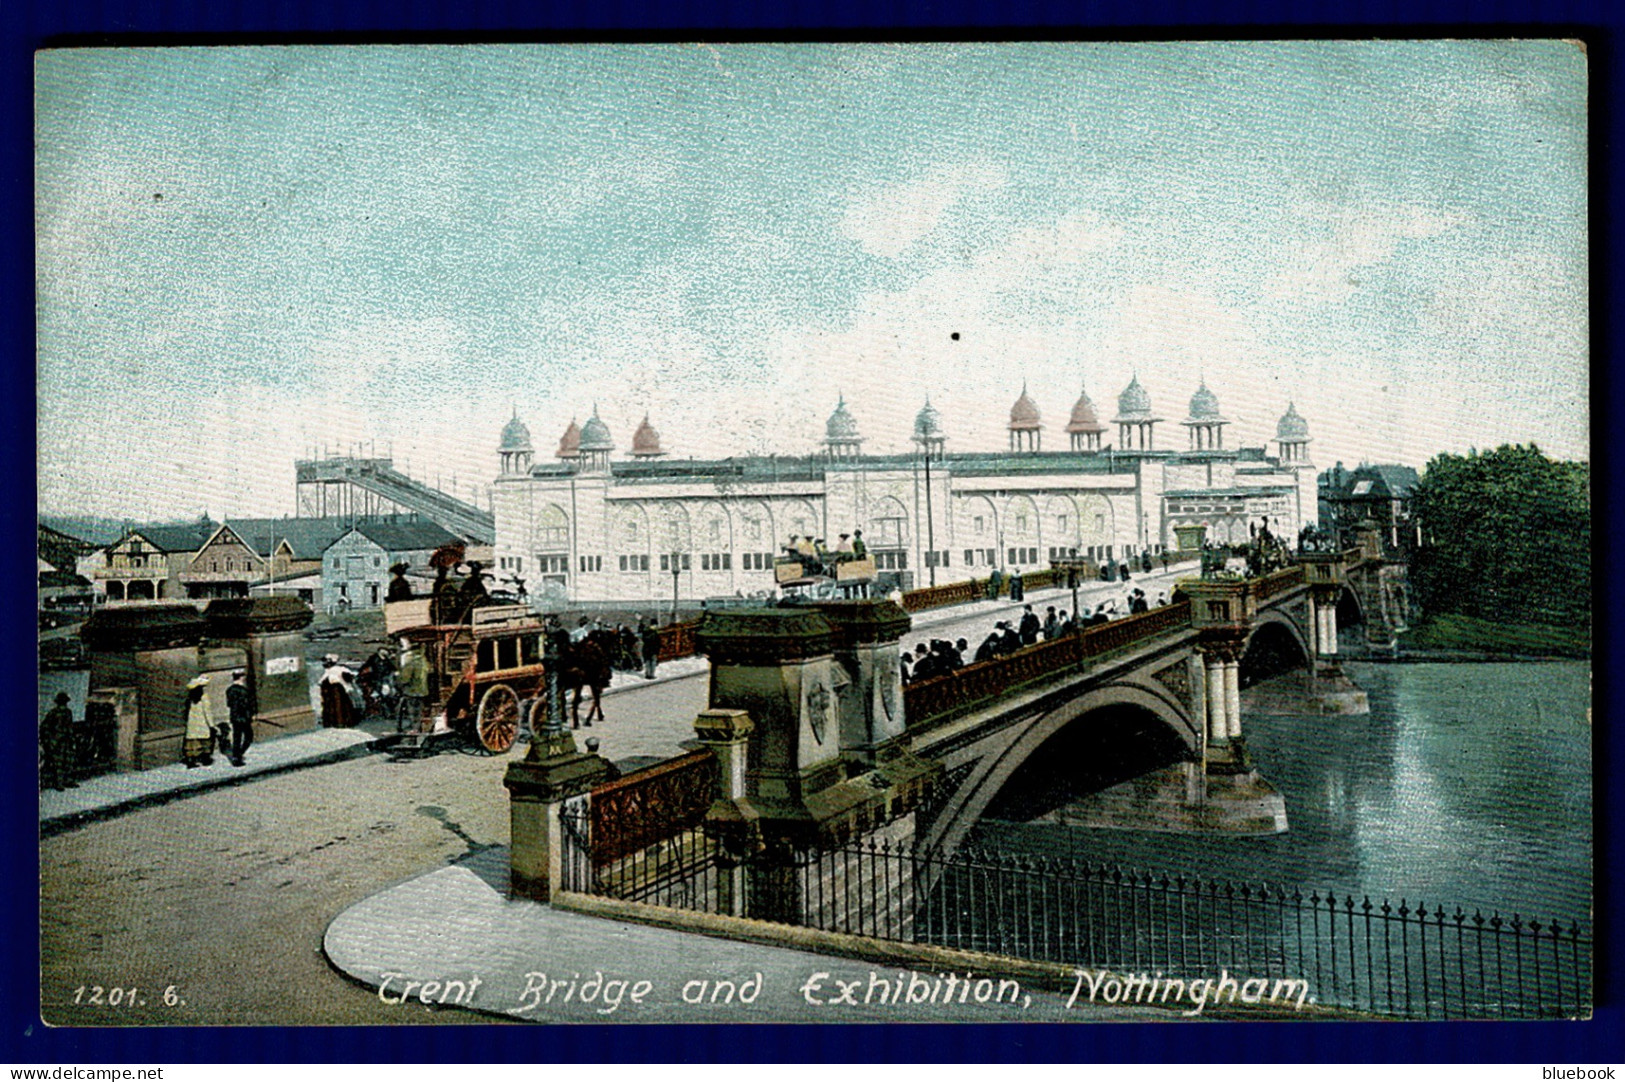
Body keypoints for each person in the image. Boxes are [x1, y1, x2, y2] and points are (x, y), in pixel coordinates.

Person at [40, 691, 78, 790]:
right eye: (62, 703)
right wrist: (49, 740)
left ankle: (68, 780)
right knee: (58, 762)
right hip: (57, 741)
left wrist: (72, 739)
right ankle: (59, 783)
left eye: (64, 703)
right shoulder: (53, 713)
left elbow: (70, 726)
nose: (63, 705)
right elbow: (44, 727)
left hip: (67, 740)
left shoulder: (68, 712)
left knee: (69, 760)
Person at [182, 676, 215, 767]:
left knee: (193, 742)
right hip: (202, 722)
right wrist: (211, 725)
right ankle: (205, 759)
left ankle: (191, 760)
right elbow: (207, 712)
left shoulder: (190, 698)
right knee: (205, 741)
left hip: (192, 723)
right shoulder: (204, 697)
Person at [226, 669, 256, 767]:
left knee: (236, 737)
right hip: (243, 718)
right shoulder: (243, 691)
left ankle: (235, 756)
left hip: (234, 717)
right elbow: (246, 705)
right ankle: (239, 755)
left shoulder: (229, 690)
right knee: (248, 737)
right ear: (241, 677)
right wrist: (251, 716)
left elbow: (229, 704)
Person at [319, 657, 358, 729]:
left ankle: (338, 722)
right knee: (339, 706)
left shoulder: (337, 669)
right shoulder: (332, 670)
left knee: (338, 706)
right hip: (335, 690)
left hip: (337, 690)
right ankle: (341, 722)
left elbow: (322, 681)